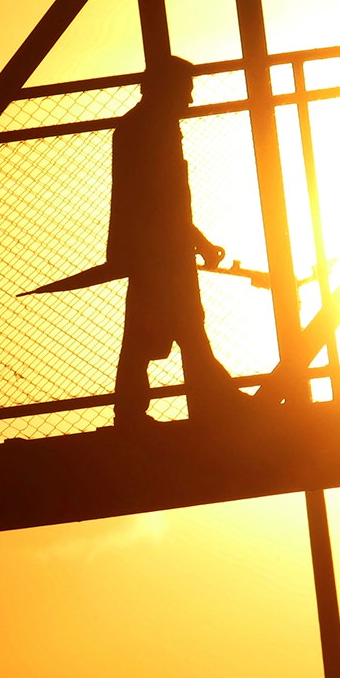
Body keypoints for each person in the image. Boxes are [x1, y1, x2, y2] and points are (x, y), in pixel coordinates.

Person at [108, 55, 245, 426]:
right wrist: (197, 240)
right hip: (160, 252)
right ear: (167, 90)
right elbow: (162, 199)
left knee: (165, 330)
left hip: (154, 249)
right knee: (171, 329)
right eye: (185, 90)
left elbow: (161, 199)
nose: (190, 100)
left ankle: (135, 412)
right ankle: (214, 401)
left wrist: (194, 239)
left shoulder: (141, 125)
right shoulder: (153, 129)